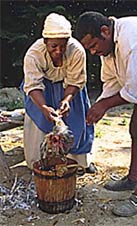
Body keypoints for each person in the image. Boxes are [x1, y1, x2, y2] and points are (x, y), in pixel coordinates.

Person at [75, 11, 137, 217]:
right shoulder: (108, 48)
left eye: (93, 46)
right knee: (135, 131)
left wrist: (105, 105)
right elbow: (111, 82)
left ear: (105, 31)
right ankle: (133, 178)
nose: (92, 52)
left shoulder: (133, 42)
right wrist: (96, 108)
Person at [21, 13, 97, 174]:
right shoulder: (34, 54)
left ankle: (79, 162)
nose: (59, 51)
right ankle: (40, 162)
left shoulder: (76, 50)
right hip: (42, 89)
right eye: (53, 46)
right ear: (45, 42)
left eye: (63, 46)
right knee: (40, 120)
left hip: (69, 88)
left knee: (77, 119)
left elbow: (75, 81)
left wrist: (67, 100)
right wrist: (43, 107)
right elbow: (33, 85)